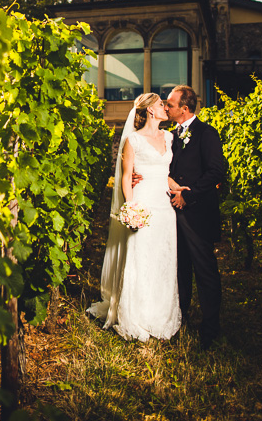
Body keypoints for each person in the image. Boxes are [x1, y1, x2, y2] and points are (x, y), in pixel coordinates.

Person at [87, 93, 181, 341]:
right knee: (141, 258)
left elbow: (164, 173)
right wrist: (130, 207)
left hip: (164, 207)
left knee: (163, 258)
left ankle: (161, 314)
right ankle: (137, 315)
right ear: (150, 110)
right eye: (162, 104)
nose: (165, 108)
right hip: (143, 203)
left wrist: (178, 186)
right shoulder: (133, 140)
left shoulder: (169, 137)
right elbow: (126, 177)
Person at [164, 85, 227, 350]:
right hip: (172, 214)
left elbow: (216, 171)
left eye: (170, 104)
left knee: (205, 271)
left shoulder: (206, 133)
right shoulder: (168, 137)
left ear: (185, 109)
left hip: (198, 214)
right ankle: (181, 318)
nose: (166, 108)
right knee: (179, 269)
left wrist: (188, 196)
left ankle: (210, 329)